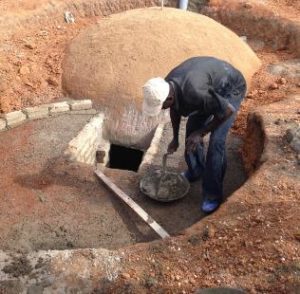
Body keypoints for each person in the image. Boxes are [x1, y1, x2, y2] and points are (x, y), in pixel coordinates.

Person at [142, 56, 247, 213]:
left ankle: (212, 195)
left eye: (161, 106)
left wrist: (201, 132)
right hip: (209, 89)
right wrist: (175, 139)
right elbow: (174, 109)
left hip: (230, 89)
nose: (162, 108)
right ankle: (196, 170)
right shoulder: (166, 85)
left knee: (216, 141)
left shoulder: (195, 93)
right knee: (191, 129)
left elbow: (226, 111)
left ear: (169, 98)